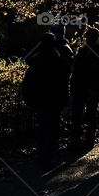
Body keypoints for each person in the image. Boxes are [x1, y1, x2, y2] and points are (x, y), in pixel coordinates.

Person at [22, 32, 71, 168]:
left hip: (40, 100)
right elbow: (64, 81)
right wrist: (65, 99)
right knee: (54, 127)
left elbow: (28, 83)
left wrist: (29, 99)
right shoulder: (59, 61)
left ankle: (41, 154)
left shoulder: (35, 62)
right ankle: (50, 154)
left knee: (42, 126)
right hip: (55, 100)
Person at [70, 26, 99, 151]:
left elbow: (76, 72)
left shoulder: (86, 52)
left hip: (88, 88)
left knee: (84, 114)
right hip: (85, 88)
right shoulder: (97, 52)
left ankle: (81, 140)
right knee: (87, 115)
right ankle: (84, 140)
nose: (87, 40)